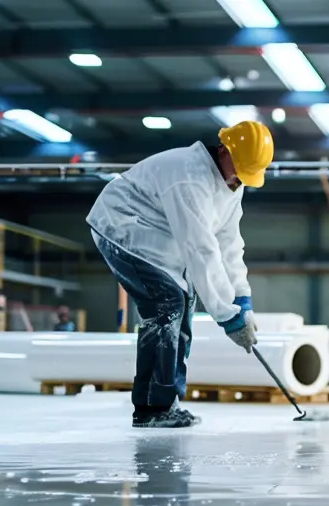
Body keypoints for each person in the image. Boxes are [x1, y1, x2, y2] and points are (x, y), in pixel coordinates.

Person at [87, 120, 274, 428]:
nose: (241, 178)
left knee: (183, 303)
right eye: (240, 168)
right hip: (122, 227)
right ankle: (151, 408)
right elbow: (200, 247)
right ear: (224, 150)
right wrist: (228, 316)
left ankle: (167, 401)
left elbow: (228, 244)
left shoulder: (231, 183)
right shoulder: (189, 176)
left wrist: (242, 298)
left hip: (157, 236)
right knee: (166, 306)